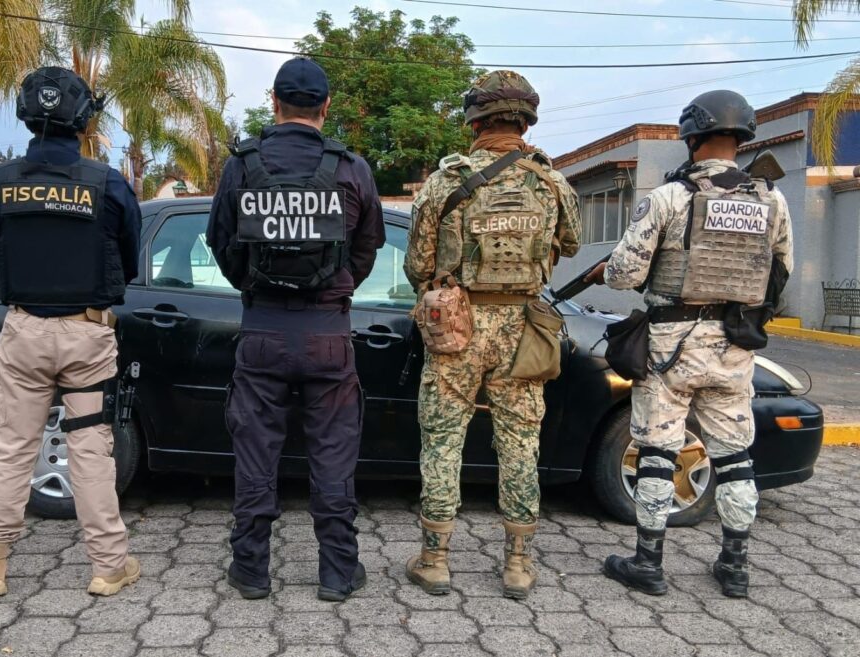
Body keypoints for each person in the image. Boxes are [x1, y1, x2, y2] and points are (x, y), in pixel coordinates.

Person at [585, 90, 794, 598]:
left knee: (658, 451)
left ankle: (648, 563)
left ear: (692, 136)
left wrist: (608, 271)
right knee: (735, 457)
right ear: (741, 138)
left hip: (671, 344)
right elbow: (780, 272)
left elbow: (625, 272)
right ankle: (735, 567)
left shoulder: (670, 197)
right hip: (734, 345)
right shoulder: (772, 199)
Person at [206, 57, 385, 602]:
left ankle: (251, 570)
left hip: (261, 330)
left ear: (274, 102)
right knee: (333, 455)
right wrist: (335, 289)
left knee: (255, 454)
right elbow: (369, 245)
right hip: (328, 335)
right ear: (326, 106)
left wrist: (254, 286)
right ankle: (337, 572)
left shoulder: (242, 165)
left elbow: (220, 241)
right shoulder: (352, 168)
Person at [0, 66, 143, 598]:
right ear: (84, 119)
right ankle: (109, 566)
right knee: (90, 450)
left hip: (23, 333)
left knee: (13, 450)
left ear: (25, 115)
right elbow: (128, 262)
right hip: (88, 335)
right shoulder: (108, 183)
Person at [403, 70, 581, 599]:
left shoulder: (445, 183)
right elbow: (572, 243)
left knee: (442, 439)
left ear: (474, 121)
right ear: (526, 122)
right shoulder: (552, 183)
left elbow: (418, 265)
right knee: (521, 443)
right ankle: (518, 565)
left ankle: (434, 560)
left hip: (455, 327)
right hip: (523, 329)